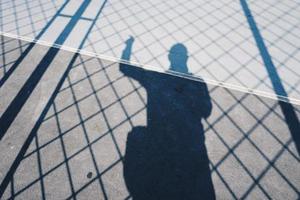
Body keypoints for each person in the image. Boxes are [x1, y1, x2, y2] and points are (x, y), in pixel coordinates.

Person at [121, 36, 215, 200]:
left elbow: (124, 67)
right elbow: (206, 111)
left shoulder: (155, 78)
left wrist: (128, 45)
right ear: (187, 58)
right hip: (190, 150)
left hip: (160, 147)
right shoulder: (197, 82)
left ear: (169, 57)